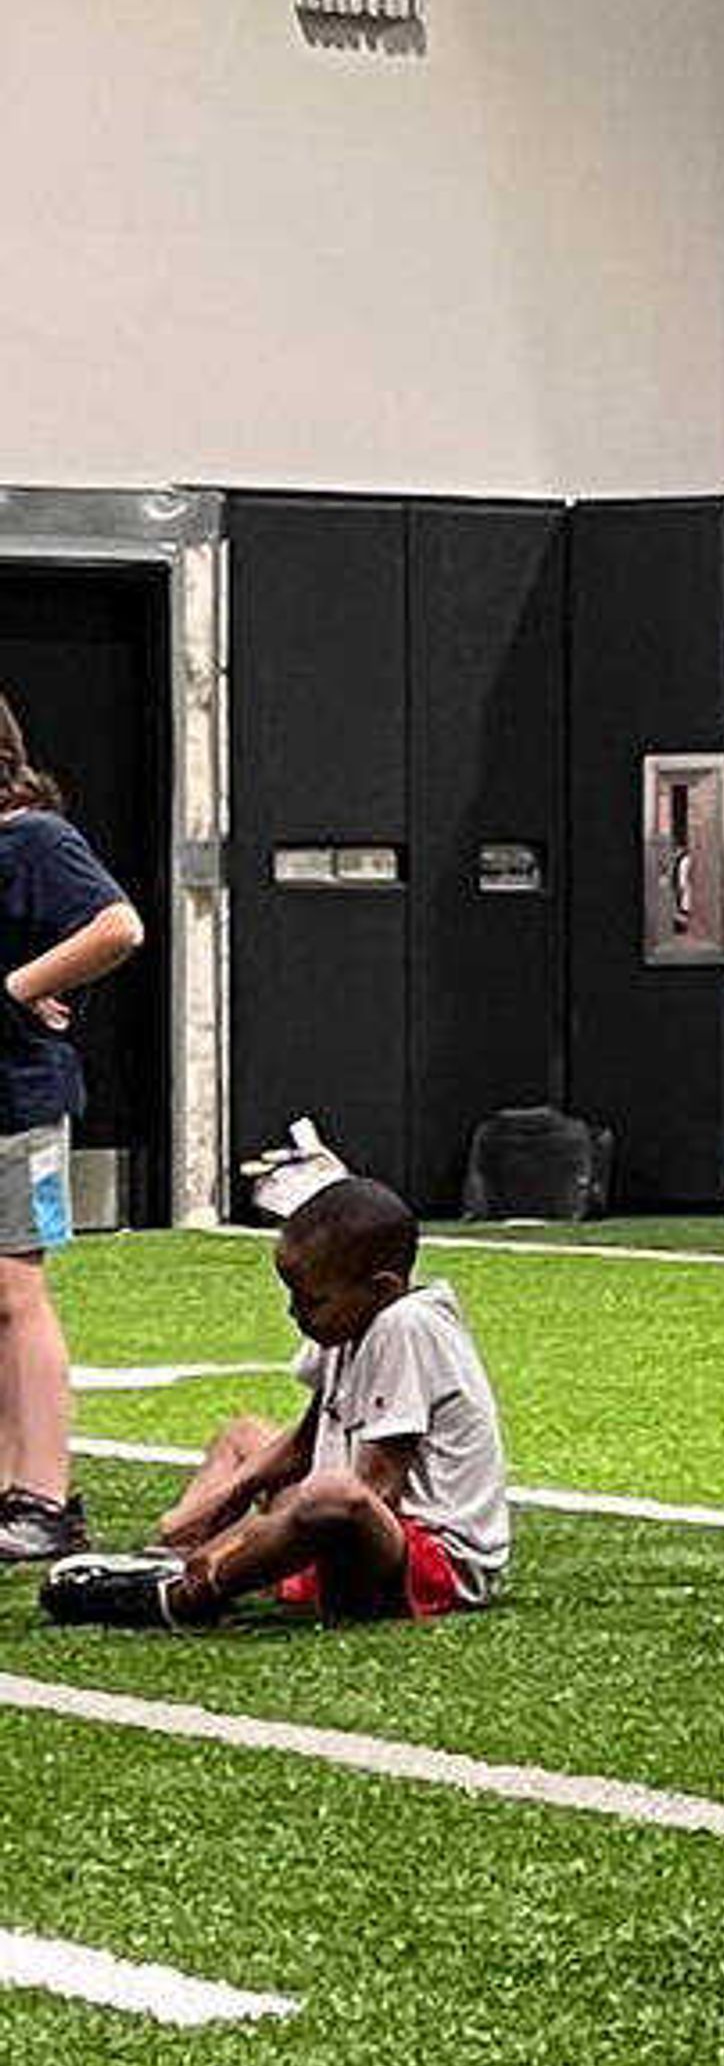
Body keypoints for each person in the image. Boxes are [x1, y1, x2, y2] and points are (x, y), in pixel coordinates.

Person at [45, 1177, 507, 1629]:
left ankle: (187, 1593)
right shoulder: (351, 1324)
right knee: (243, 1437)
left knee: (331, 1496)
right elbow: (306, 1444)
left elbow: (373, 1489)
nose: (295, 1313)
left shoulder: (405, 1326)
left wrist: (233, 1542)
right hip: (355, 1526)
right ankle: (174, 1559)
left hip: (427, 1559)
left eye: (311, 1301)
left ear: (380, 1288)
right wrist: (229, 1497)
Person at [0, 691, 142, 1570]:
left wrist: (15, 989)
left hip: (15, 1098)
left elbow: (118, 925)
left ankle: (45, 1495)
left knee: (16, 1292)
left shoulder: (33, 836)